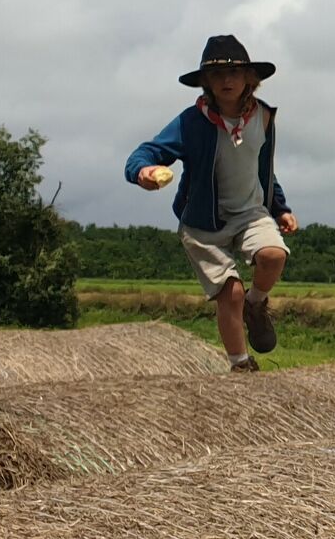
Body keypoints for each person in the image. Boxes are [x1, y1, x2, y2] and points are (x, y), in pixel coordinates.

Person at [125, 35, 297, 372]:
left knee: (274, 255)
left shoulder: (263, 117)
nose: (226, 81)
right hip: (203, 224)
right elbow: (146, 152)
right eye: (217, 75)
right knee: (229, 293)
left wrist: (280, 208)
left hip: (251, 213)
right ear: (205, 83)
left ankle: (257, 305)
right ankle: (240, 364)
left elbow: (263, 170)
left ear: (251, 79)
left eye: (235, 73)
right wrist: (143, 171)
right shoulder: (192, 122)